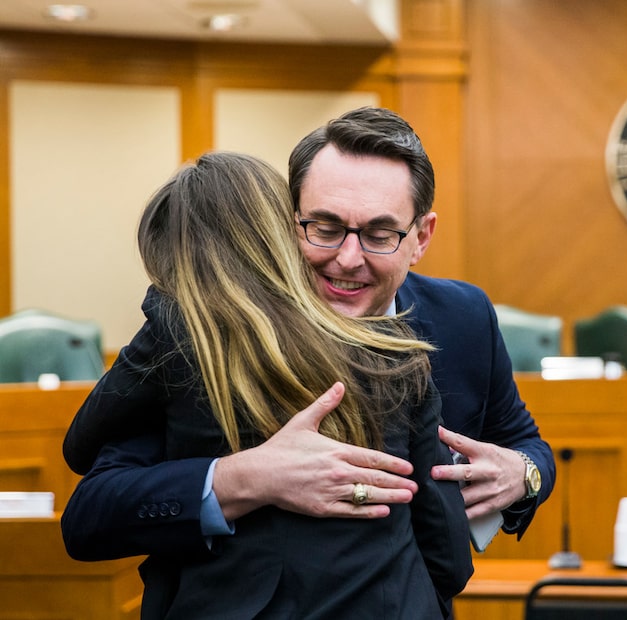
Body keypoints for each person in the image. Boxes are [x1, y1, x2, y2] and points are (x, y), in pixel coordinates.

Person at [63, 107, 554, 557]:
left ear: (421, 237)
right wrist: (243, 479)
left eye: (380, 236)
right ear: (288, 221)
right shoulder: (213, 327)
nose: (347, 258)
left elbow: (523, 442)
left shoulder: (464, 315)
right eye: (324, 227)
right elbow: (92, 514)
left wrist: (525, 474)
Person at [61, 151, 473, 619]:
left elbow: (81, 459)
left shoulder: (181, 339)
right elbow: (450, 557)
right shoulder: (395, 352)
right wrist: (246, 477)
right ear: (288, 230)